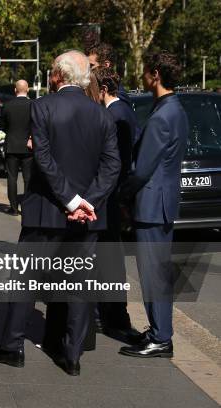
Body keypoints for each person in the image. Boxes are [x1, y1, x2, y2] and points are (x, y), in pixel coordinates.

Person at [0, 50, 120, 376]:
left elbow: (43, 159)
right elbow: (112, 165)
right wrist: (88, 202)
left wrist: (71, 201)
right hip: (86, 216)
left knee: (24, 279)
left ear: (58, 74)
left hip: (46, 210)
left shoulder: (42, 107)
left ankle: (12, 347)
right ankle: (72, 354)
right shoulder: (102, 115)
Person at [118, 51, 188, 358]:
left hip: (151, 204)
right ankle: (159, 330)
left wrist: (122, 195)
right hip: (162, 202)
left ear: (156, 75)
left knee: (153, 274)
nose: (143, 77)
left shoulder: (162, 116)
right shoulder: (176, 109)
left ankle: (161, 336)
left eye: (146, 72)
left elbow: (142, 168)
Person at [92, 66, 140, 339]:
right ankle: (110, 313)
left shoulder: (117, 114)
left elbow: (118, 162)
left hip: (111, 197)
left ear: (104, 90)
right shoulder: (117, 112)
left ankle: (115, 316)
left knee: (109, 258)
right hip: (112, 196)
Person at [0, 80, 33, 215]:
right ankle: (28, 207)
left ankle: (13, 208)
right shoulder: (33, 105)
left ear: (15, 90)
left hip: (11, 145)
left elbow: (2, 126)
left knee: (12, 178)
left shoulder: (7, 106)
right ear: (28, 89)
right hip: (28, 147)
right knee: (28, 178)